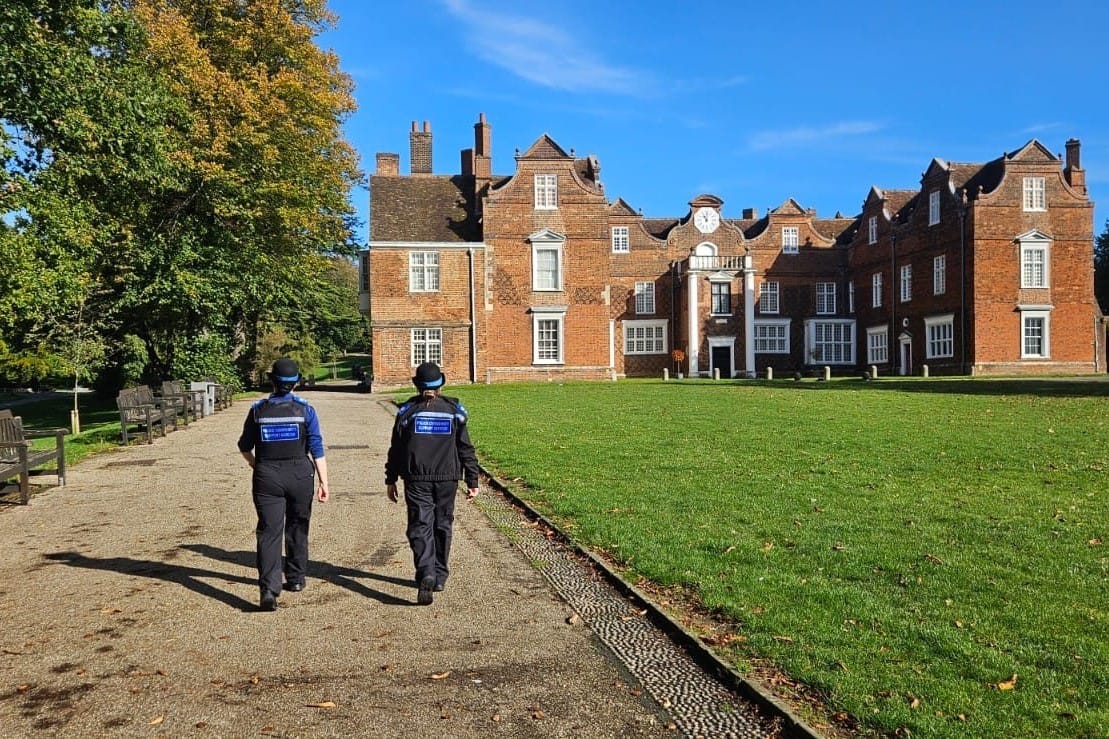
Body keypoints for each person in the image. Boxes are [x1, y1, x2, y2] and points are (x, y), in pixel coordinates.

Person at [238, 358, 330, 611]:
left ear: (272, 380)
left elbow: (244, 446)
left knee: (269, 532)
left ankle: (269, 589)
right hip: (300, 474)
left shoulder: (258, 410)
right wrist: (324, 481)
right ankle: (297, 578)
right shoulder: (305, 410)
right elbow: (316, 448)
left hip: (267, 474)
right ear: (296, 382)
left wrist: (256, 464)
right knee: (298, 526)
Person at [385, 362, 479, 605]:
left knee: (420, 525)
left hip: (416, 478)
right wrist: (472, 479)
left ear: (417, 385)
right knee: (442, 524)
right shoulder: (454, 411)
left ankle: (425, 570)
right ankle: (439, 575)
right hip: (447, 478)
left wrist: (391, 478)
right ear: (440, 385)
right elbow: (465, 447)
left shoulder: (407, 412)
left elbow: (396, 449)